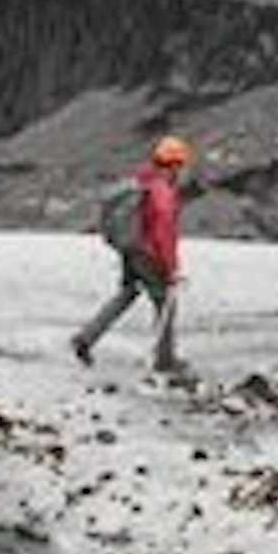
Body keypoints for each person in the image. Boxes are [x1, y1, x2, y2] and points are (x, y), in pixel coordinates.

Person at [72, 135, 193, 377]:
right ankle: (165, 361)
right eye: (181, 165)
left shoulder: (142, 180)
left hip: (130, 249)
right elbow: (163, 232)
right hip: (148, 253)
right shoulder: (161, 190)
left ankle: (86, 338)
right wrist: (171, 268)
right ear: (175, 165)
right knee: (165, 302)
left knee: (127, 293)